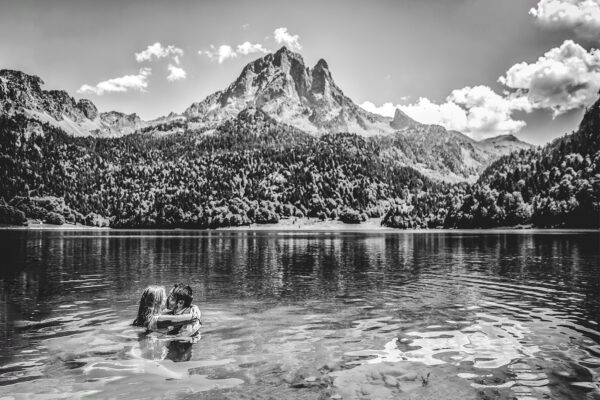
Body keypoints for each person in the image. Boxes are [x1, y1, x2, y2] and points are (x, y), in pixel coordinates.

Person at [132, 285, 199, 333]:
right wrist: (196, 313)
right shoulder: (156, 319)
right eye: (164, 297)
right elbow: (191, 318)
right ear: (157, 302)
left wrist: (192, 306)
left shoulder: (149, 316)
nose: (167, 298)